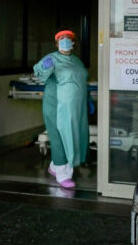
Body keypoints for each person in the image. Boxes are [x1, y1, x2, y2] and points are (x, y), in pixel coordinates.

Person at [33, 30, 89, 188]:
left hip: (76, 107)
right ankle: (63, 174)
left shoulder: (77, 61)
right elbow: (39, 73)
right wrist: (44, 67)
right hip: (57, 106)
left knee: (74, 136)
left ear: (73, 43)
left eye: (68, 39)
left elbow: (81, 81)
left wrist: (88, 99)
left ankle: (54, 166)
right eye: (61, 39)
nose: (65, 41)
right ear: (57, 43)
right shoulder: (51, 58)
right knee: (59, 137)